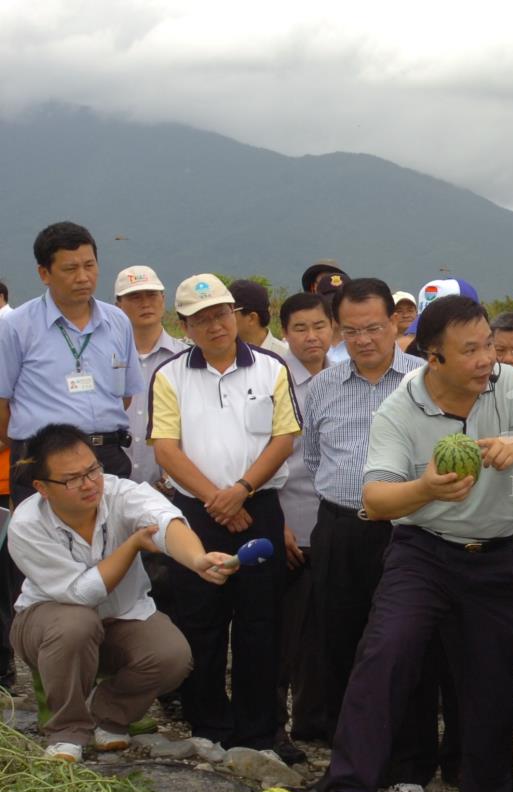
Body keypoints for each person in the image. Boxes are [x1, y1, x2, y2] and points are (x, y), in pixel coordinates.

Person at [305, 294, 513, 792]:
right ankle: (346, 791)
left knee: (493, 685)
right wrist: (424, 488)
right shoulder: (401, 406)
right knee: (386, 653)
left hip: (498, 555)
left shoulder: (508, 386)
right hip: (423, 551)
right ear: (432, 357)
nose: (485, 359)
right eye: (469, 349)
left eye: (489, 346)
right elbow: (374, 499)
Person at [6, 424, 233, 762]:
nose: (89, 484)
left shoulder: (121, 492)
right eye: (72, 479)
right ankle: (66, 730)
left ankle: (110, 714)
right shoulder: (26, 525)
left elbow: (166, 521)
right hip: (48, 627)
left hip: (120, 619)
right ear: (42, 487)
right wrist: (132, 545)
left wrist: (198, 559)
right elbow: (81, 594)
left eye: (92, 470)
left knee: (172, 655)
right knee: (76, 624)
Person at [149, 273, 299, 750]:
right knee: (201, 620)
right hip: (197, 514)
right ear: (184, 325)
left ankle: (258, 731)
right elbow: (166, 450)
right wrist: (218, 499)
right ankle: (208, 725)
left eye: (221, 313)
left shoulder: (271, 368)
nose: (214, 325)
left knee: (261, 621)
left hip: (260, 507)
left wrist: (242, 489)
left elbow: (284, 437)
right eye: (201, 319)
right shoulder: (170, 375)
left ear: (234, 314)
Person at [0, 222, 145, 690]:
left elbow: (123, 397)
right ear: (44, 273)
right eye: (69, 269)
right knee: (47, 572)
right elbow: (2, 403)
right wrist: (32, 456)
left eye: (90, 265)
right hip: (44, 465)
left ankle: (117, 685)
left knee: (117, 565)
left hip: (107, 457)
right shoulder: (17, 326)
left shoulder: (116, 321)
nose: (83, 277)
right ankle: (53, 688)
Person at [301, 279, 425, 740]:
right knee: (337, 639)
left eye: (373, 327)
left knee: (406, 642)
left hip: (408, 529)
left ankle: (406, 756)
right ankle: (346, 748)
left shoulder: (425, 380)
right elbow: (314, 457)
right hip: (341, 527)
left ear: (395, 322)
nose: (363, 340)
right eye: (351, 331)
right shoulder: (322, 386)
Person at [273, 291, 334, 762]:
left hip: (334, 524)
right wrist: (278, 525)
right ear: (285, 333)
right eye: (300, 329)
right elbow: (264, 457)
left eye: (319, 326)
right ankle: (273, 727)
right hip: (288, 521)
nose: (311, 337)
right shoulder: (273, 380)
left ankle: (317, 721)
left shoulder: (344, 378)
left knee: (326, 629)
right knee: (280, 632)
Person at [114, 266, 187, 490]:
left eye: (152, 295)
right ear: (118, 305)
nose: (145, 303)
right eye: (134, 297)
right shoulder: (103, 359)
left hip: (172, 489)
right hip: (112, 487)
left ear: (163, 298)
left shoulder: (185, 358)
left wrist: (170, 479)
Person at [229, 279, 290, 358]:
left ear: (252, 318)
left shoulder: (285, 357)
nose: (223, 319)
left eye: (229, 312)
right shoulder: (224, 356)